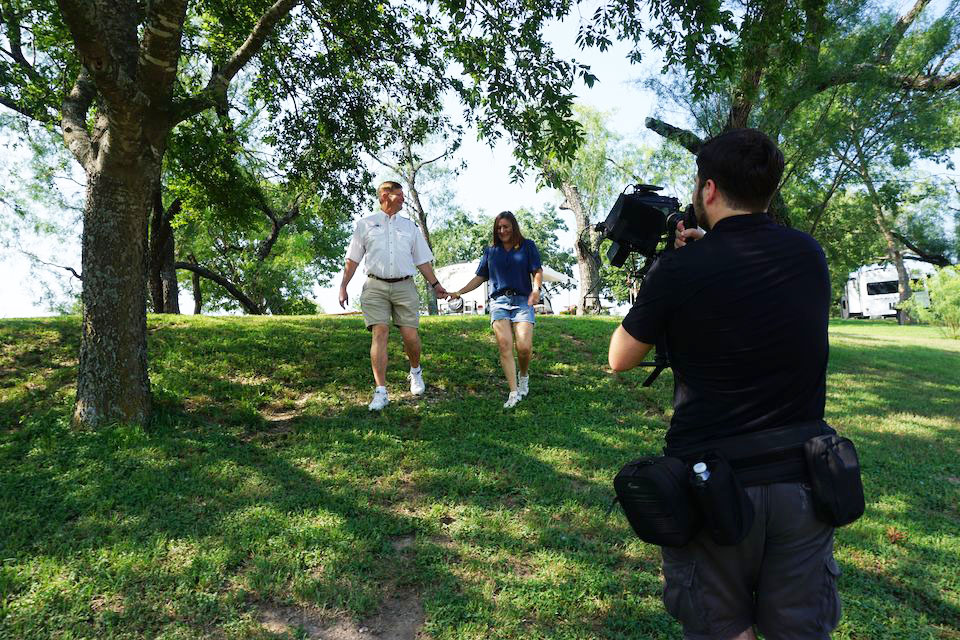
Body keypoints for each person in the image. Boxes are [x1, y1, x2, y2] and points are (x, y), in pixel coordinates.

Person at [608, 129, 839, 640]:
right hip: (803, 479)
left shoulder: (681, 269)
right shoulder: (809, 256)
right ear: (769, 191)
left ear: (707, 190)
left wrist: (669, 271)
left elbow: (619, 357)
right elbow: (751, 274)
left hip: (712, 485)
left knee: (722, 630)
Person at [339, 181, 448, 411]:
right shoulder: (365, 225)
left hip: (404, 287)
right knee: (380, 332)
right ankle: (381, 391)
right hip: (375, 286)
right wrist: (343, 286)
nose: (403, 199)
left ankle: (415, 371)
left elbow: (422, 260)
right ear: (384, 196)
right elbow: (353, 260)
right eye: (399, 195)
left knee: (410, 336)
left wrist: (436, 284)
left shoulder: (409, 227)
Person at [449, 211, 543, 408]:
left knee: (524, 347)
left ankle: (523, 375)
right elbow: (480, 277)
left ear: (513, 227)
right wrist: (459, 292)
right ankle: (513, 392)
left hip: (523, 302)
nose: (502, 231)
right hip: (499, 302)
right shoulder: (491, 251)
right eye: (498, 228)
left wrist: (535, 291)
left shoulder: (528, 246)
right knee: (505, 346)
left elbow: (537, 271)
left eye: (505, 227)